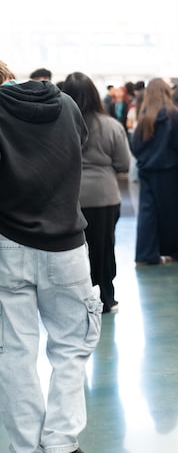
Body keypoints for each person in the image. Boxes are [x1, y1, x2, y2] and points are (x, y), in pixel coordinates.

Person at [0, 61, 102, 453]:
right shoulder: (67, 105)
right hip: (67, 245)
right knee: (72, 347)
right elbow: (79, 143)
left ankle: (26, 445)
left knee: (14, 353)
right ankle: (61, 442)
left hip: (8, 245)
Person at [63, 72, 131, 314]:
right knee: (104, 247)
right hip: (104, 194)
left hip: (69, 195)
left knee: (73, 250)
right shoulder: (110, 124)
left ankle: (77, 298)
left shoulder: (59, 125)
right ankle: (105, 297)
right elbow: (124, 163)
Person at [130, 78, 178, 265]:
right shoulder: (173, 115)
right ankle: (175, 251)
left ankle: (145, 254)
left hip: (146, 169)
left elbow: (135, 145)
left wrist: (145, 159)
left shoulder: (144, 115)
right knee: (170, 213)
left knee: (147, 212)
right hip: (168, 170)